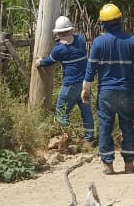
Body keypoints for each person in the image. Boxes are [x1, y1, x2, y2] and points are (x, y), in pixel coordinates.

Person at [84, 2, 134, 174]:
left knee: (105, 127)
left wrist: (86, 89)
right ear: (120, 20)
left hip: (106, 93)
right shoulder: (132, 41)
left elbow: (91, 68)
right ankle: (129, 164)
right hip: (126, 91)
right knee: (127, 127)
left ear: (103, 23)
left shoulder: (98, 43)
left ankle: (108, 165)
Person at [38, 15, 93, 144]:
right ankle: (89, 139)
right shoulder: (80, 40)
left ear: (57, 32)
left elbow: (48, 61)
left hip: (70, 85)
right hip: (85, 84)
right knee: (86, 112)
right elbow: (72, 41)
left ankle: (66, 139)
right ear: (70, 30)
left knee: (61, 111)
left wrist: (39, 62)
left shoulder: (59, 49)